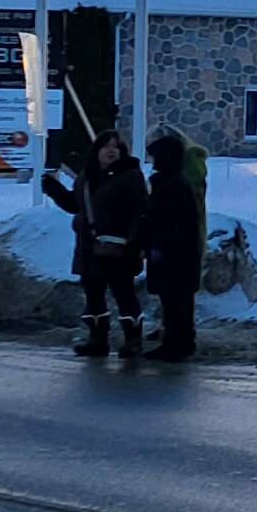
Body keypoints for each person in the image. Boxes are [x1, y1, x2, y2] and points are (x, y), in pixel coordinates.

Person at [42, 130, 149, 359]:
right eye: (106, 146)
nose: (111, 151)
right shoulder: (87, 176)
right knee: (93, 295)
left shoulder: (130, 176)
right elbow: (75, 205)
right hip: (89, 247)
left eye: (116, 147)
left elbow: (140, 211)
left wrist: (135, 243)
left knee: (124, 293)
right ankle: (97, 339)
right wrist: (54, 190)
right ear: (97, 150)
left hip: (119, 248)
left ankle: (133, 341)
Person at [137, 130, 203, 362]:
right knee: (177, 300)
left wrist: (155, 245)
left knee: (175, 300)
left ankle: (176, 343)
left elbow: (167, 222)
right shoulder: (173, 183)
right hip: (177, 254)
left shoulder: (172, 186)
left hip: (173, 254)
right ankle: (180, 341)